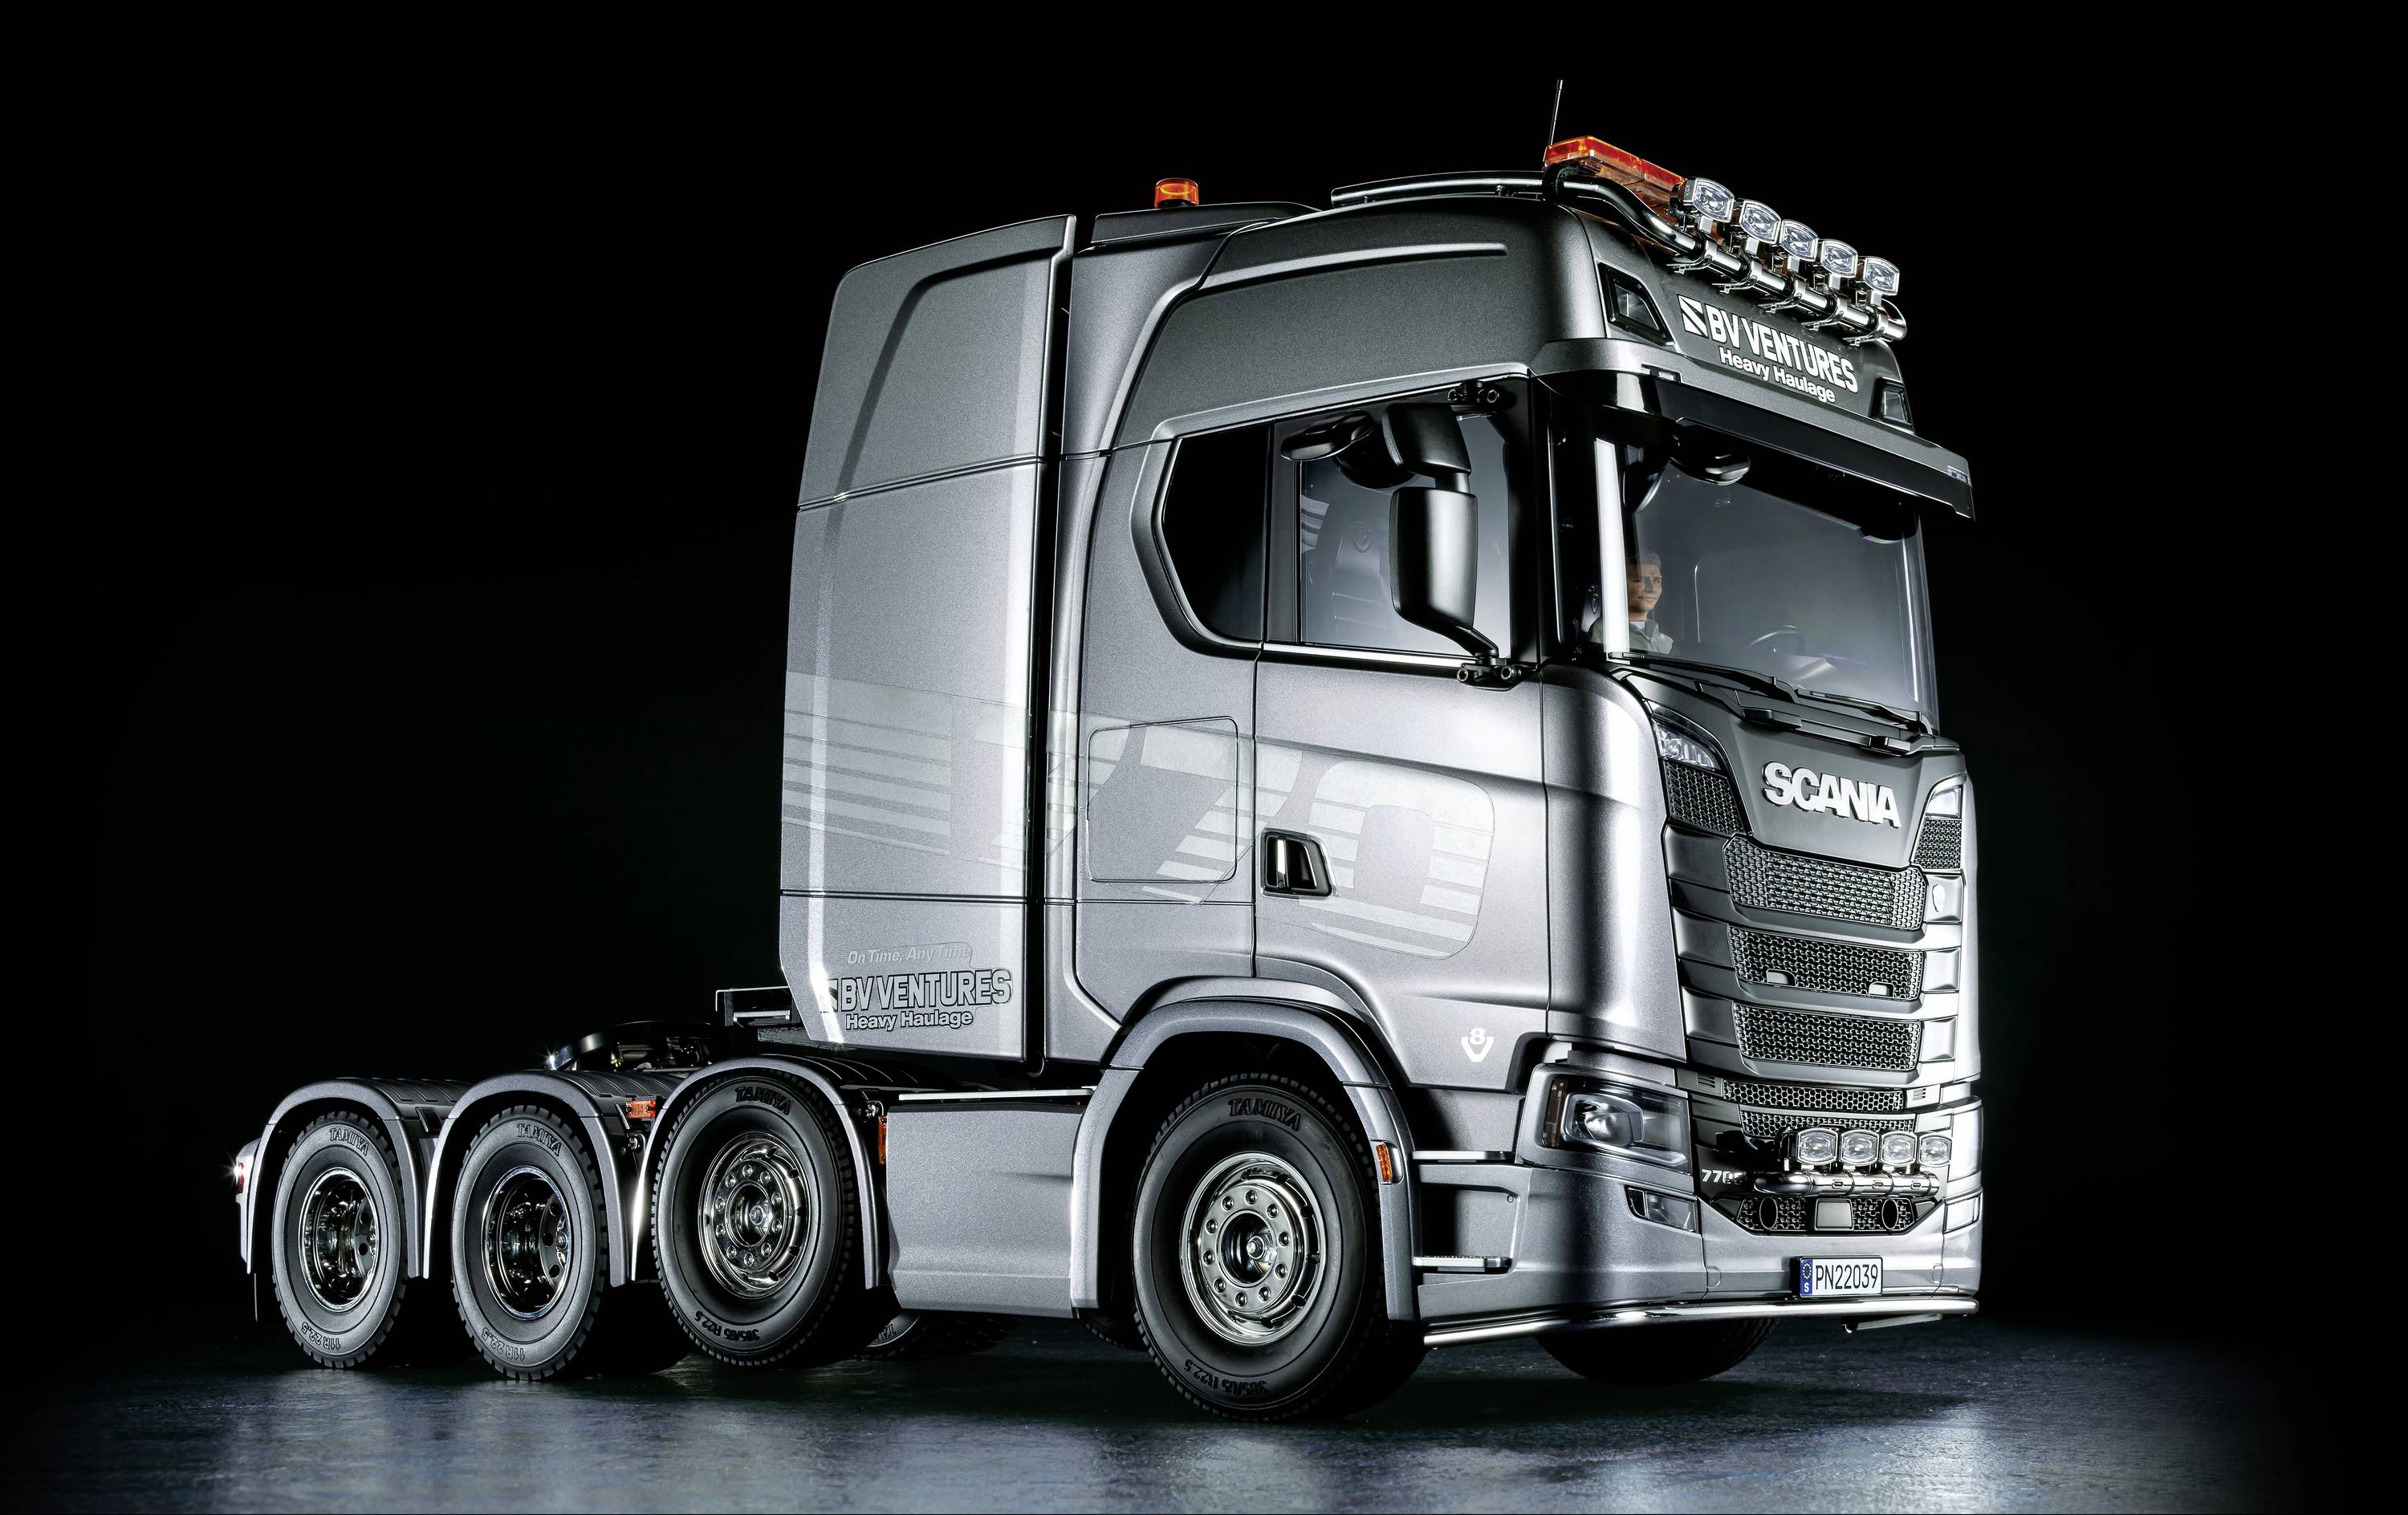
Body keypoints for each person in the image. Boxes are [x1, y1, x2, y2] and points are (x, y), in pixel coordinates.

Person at [1625, 551, 1674, 653]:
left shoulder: (1668, 644)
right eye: (1642, 580)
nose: (1651, 589)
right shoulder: (1606, 633)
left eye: (1657, 581)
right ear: (1624, 585)